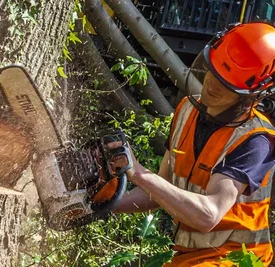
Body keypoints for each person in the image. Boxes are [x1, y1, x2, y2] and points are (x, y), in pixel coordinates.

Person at [110, 22, 275, 266]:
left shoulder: (256, 140)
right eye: (214, 72)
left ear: (252, 95)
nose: (212, 84)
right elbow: (159, 192)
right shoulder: (187, 110)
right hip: (188, 257)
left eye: (227, 84)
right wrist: (105, 204)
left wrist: (140, 174)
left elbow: (208, 215)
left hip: (236, 259)